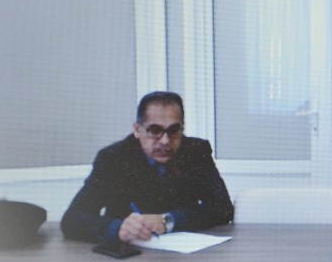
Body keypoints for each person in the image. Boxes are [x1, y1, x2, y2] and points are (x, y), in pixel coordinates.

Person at [61, 91, 235, 243]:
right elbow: (72, 219)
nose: (165, 141)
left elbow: (223, 209)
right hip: (129, 254)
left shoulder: (196, 151)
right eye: (155, 130)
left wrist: (168, 220)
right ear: (137, 130)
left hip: (185, 255)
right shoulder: (113, 158)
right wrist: (117, 228)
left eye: (174, 130)